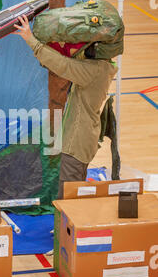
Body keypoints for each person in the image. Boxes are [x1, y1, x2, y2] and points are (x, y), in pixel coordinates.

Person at [14, 14, 118, 199]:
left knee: (68, 196)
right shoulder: (102, 65)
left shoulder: (93, 71)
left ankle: (67, 227)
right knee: (73, 190)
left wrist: (32, 41)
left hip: (76, 143)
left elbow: (63, 65)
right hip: (84, 137)